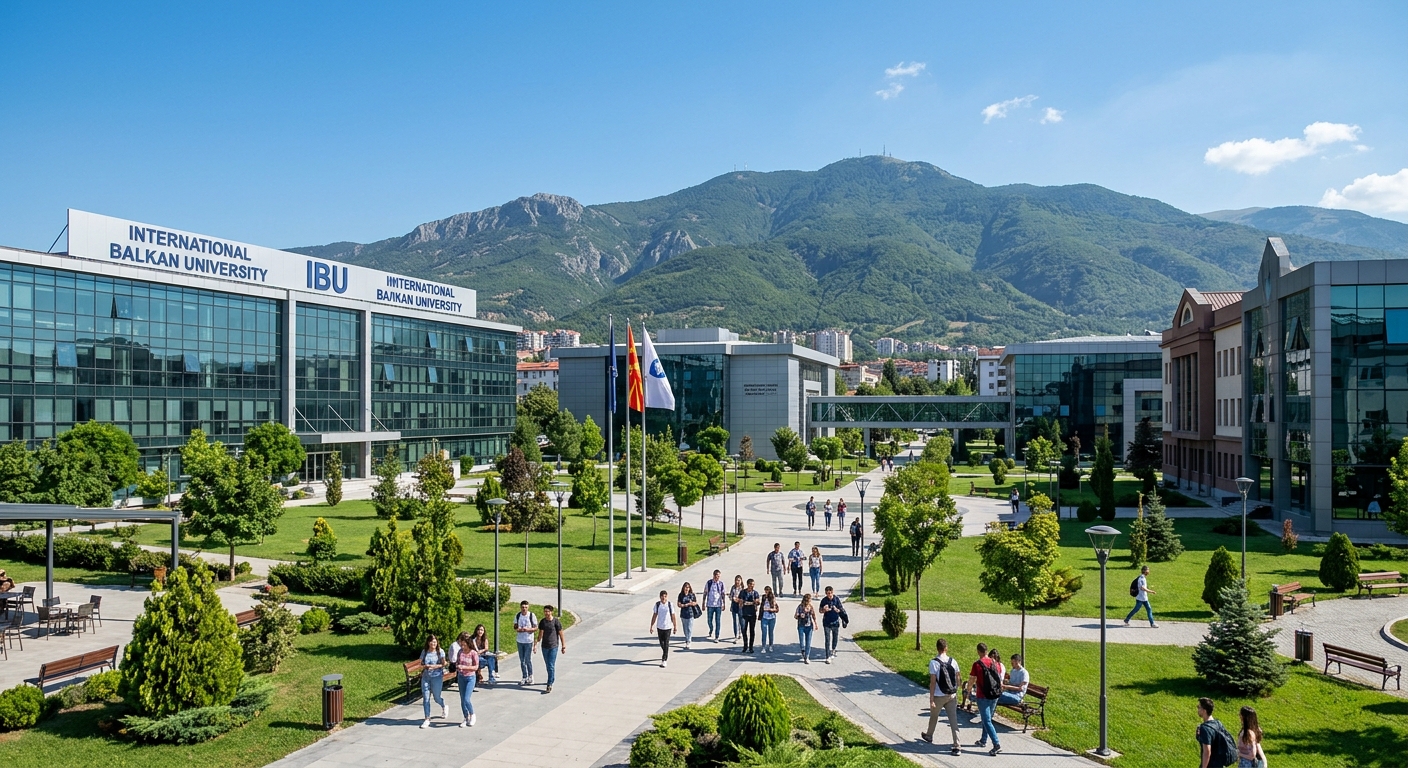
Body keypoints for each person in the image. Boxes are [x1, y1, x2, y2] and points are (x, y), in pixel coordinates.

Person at [920, 637, 963, 757]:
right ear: (946, 648)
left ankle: (929, 735)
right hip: (952, 695)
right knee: (953, 721)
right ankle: (957, 746)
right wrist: (956, 690)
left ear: (937, 648)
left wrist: (931, 699)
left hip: (939, 695)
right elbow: (958, 678)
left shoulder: (934, 663)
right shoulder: (953, 661)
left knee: (934, 716)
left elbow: (933, 682)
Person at [969, 641, 1003, 756]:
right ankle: (983, 740)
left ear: (978, 651)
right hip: (994, 695)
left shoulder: (977, 664)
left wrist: (968, 690)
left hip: (982, 696)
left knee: (986, 720)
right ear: (987, 651)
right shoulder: (995, 663)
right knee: (987, 719)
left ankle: (996, 744)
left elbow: (972, 679)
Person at [1196, 697, 1238, 768]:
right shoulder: (1217, 723)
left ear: (1204, 710)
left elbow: (1207, 752)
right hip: (1219, 763)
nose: (1198, 709)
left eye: (1199, 707)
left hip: (1211, 764)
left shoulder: (1205, 728)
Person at [449, 631, 480, 727]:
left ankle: (472, 714)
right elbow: (458, 662)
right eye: (461, 645)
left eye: (464, 645)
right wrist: (457, 666)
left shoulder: (473, 653)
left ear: (468, 644)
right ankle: (466, 717)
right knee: (462, 699)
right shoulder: (460, 652)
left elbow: (475, 667)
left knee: (467, 699)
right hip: (461, 677)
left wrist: (465, 667)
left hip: (470, 677)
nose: (462, 647)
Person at [417, 635, 448, 728]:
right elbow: (421, 662)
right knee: (426, 698)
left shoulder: (440, 652)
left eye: (435, 642)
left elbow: (444, 663)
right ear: (428, 643)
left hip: (437, 677)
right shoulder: (425, 652)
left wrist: (435, 666)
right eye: (431, 642)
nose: (433, 644)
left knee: (436, 697)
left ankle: (443, 705)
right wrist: (423, 666)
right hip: (426, 677)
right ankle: (427, 718)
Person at [535, 604, 565, 693]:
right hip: (544, 646)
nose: (546, 613)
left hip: (553, 646)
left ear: (551, 612)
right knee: (548, 665)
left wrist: (563, 645)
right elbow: (540, 634)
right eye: (545, 611)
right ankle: (551, 678)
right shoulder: (543, 622)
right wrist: (536, 643)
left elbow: (561, 634)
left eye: (548, 611)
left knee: (551, 665)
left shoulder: (556, 622)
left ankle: (549, 683)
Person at [818, 585, 848, 664]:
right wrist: (824, 610)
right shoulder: (824, 600)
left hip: (835, 621)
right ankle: (827, 656)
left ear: (832, 592)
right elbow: (820, 610)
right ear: (825, 593)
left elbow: (841, 609)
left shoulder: (836, 599)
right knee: (827, 639)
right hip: (827, 622)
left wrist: (837, 610)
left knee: (835, 637)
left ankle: (833, 649)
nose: (829, 595)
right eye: (827, 593)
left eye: (830, 593)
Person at [648, 589, 677, 668]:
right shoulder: (657, 605)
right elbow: (654, 615)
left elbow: (673, 616)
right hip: (660, 627)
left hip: (668, 627)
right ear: (660, 597)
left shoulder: (670, 605)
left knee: (666, 643)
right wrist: (651, 626)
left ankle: (664, 659)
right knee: (662, 643)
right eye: (662, 597)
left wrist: (675, 626)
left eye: (665, 596)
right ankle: (665, 652)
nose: (664, 598)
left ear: (667, 597)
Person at [514, 601, 537, 685]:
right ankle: (524, 676)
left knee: (528, 659)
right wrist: (518, 629)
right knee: (522, 660)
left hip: (528, 640)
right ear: (520, 607)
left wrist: (528, 629)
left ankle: (531, 676)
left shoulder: (531, 615)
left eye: (526, 607)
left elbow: (535, 628)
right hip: (520, 640)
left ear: (528, 607)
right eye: (523, 607)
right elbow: (515, 626)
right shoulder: (518, 615)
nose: (524, 609)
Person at [795, 593, 818, 663]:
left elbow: (813, 615)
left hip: (809, 626)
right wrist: (799, 615)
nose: (809, 601)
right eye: (809, 600)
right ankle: (803, 650)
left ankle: (807, 656)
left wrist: (816, 624)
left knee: (808, 642)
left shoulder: (810, 607)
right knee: (802, 642)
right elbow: (795, 616)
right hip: (801, 626)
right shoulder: (800, 607)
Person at [738, 578, 760, 653]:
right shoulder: (743, 592)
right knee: (744, 630)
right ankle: (745, 645)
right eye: (751, 584)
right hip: (744, 614)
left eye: (753, 584)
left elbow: (757, 601)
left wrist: (754, 602)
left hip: (752, 614)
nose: (752, 586)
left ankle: (751, 647)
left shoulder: (755, 593)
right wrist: (746, 602)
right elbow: (740, 601)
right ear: (748, 584)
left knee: (752, 631)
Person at [704, 569, 727, 642]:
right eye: (716, 576)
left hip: (718, 605)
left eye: (719, 576)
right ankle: (711, 629)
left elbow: (723, 594)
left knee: (718, 621)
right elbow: (705, 592)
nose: (718, 578)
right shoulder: (709, 583)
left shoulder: (721, 584)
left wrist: (724, 603)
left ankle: (717, 636)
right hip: (710, 604)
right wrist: (703, 603)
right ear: (714, 575)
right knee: (709, 620)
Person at [677, 582, 700, 649]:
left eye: (688, 587)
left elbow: (695, 602)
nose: (686, 589)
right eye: (685, 587)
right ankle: (687, 638)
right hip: (683, 614)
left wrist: (691, 603)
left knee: (689, 628)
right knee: (685, 628)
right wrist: (685, 605)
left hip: (690, 613)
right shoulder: (681, 595)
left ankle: (688, 640)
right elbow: (679, 604)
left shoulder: (692, 595)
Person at [759, 586, 780, 653]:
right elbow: (761, 606)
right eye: (765, 590)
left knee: (771, 632)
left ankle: (770, 645)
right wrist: (760, 615)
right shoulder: (763, 597)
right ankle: (763, 647)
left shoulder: (773, 598)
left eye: (768, 590)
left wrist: (770, 609)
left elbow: (776, 608)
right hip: (764, 617)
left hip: (772, 617)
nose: (766, 592)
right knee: (764, 633)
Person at [728, 574, 745, 644]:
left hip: (741, 606)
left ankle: (742, 634)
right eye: (736, 580)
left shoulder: (743, 589)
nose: (737, 582)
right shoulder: (733, 587)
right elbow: (730, 596)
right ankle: (736, 635)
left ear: (741, 581)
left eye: (739, 580)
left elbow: (744, 598)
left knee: (741, 621)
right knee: (735, 621)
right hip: (734, 605)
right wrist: (732, 598)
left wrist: (739, 600)